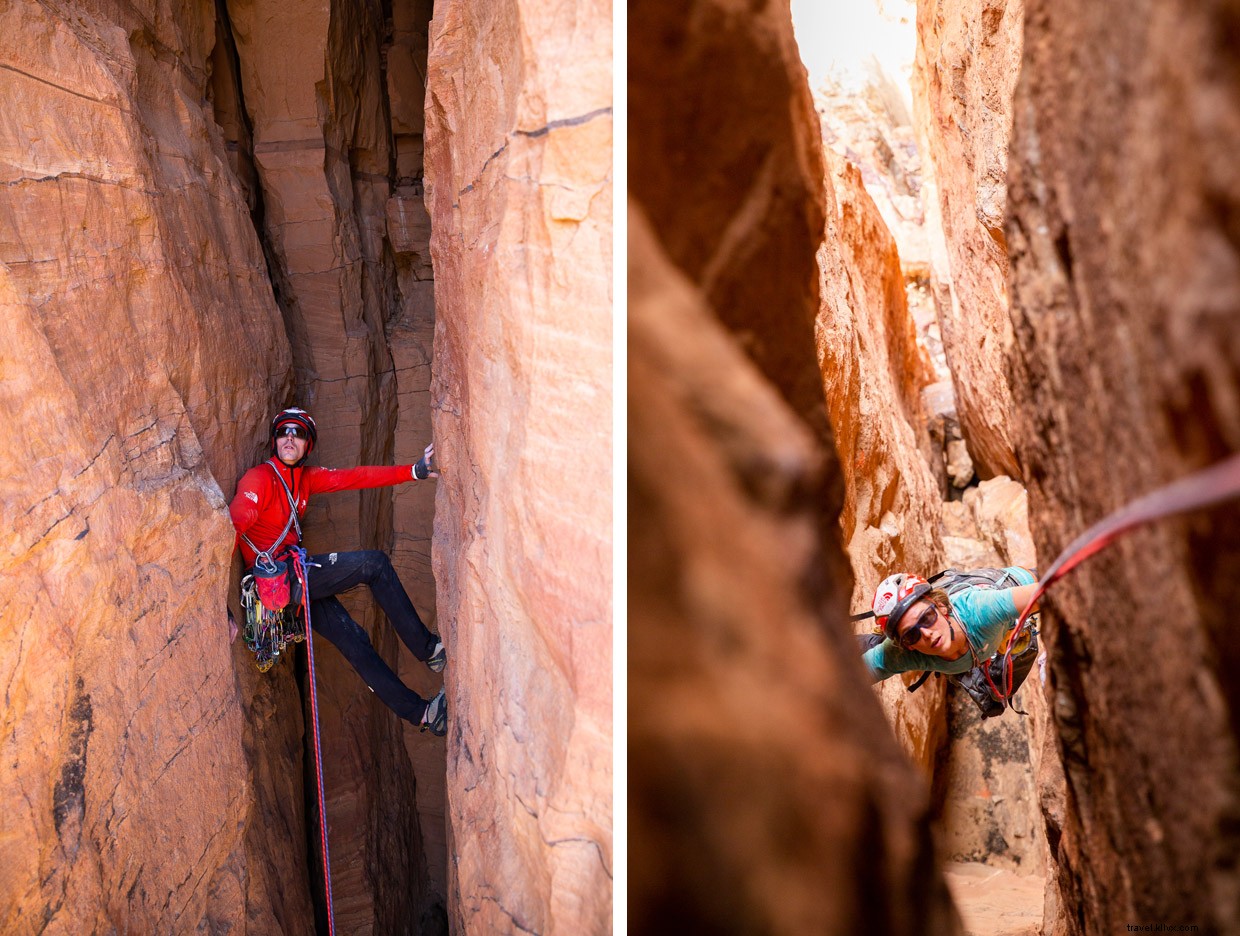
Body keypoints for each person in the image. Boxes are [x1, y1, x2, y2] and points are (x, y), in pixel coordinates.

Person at [229, 407, 448, 736]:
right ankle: (429, 650)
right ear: (274, 441)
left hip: (294, 584)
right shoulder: (259, 480)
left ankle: (423, 714)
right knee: (373, 564)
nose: (290, 437)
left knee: (355, 640)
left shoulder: (305, 480)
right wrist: (222, 609)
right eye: (284, 431)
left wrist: (414, 471)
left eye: (299, 433)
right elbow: (229, 528)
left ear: (308, 446)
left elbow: (355, 477)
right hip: (279, 582)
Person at [860, 567, 1040, 688]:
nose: (927, 634)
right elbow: (854, 677)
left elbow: (1047, 591)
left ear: (941, 606)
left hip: (1019, 581)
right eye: (911, 635)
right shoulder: (906, 654)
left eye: (927, 617)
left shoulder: (980, 611)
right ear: (907, 645)